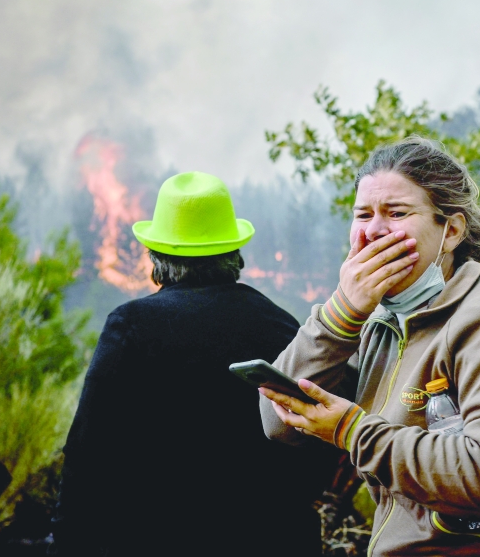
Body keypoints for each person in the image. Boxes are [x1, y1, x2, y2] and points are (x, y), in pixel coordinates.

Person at [259, 138, 480, 557]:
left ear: (451, 231)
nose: (374, 230)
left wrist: (353, 431)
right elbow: (279, 422)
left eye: (396, 214)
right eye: (363, 215)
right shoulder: (382, 323)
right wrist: (340, 315)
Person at [51, 171, 334, 557]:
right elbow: (317, 445)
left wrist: (67, 545)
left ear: (157, 255)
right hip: (274, 539)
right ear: (233, 252)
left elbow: (87, 455)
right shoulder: (282, 324)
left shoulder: (131, 326)